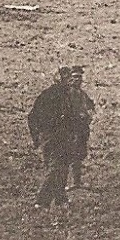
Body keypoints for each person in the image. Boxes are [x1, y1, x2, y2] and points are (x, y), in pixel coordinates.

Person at [28, 67, 80, 210]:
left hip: (64, 137)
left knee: (62, 169)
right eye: (66, 78)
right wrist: (37, 137)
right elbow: (33, 117)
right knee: (55, 168)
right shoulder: (49, 95)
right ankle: (41, 201)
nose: (69, 81)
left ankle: (60, 198)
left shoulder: (67, 96)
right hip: (51, 138)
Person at [65, 65, 95, 191]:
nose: (77, 80)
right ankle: (69, 182)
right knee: (71, 155)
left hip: (82, 128)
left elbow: (90, 106)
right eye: (75, 77)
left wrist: (89, 115)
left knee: (79, 154)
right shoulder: (67, 94)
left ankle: (77, 182)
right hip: (71, 129)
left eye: (79, 77)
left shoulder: (82, 94)